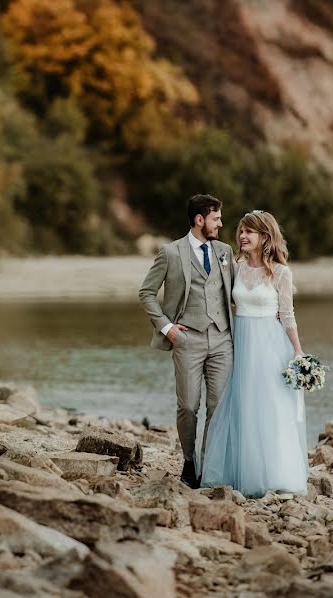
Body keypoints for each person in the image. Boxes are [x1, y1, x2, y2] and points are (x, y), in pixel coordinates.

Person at [200, 210, 309, 498]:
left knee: (270, 407)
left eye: (250, 232)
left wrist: (298, 352)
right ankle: (240, 472)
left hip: (270, 346)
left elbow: (287, 315)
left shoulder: (281, 273)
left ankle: (275, 473)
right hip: (241, 344)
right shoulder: (235, 267)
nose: (243, 236)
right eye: (242, 231)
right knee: (242, 405)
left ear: (265, 237)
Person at [138, 194, 235, 489]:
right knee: (189, 406)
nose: (221, 223)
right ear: (199, 219)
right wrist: (167, 328)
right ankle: (190, 460)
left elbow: (238, 291)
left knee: (218, 406)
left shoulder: (225, 251)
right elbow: (146, 293)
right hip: (187, 339)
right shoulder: (170, 253)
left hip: (222, 340)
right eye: (216, 218)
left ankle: (209, 466)